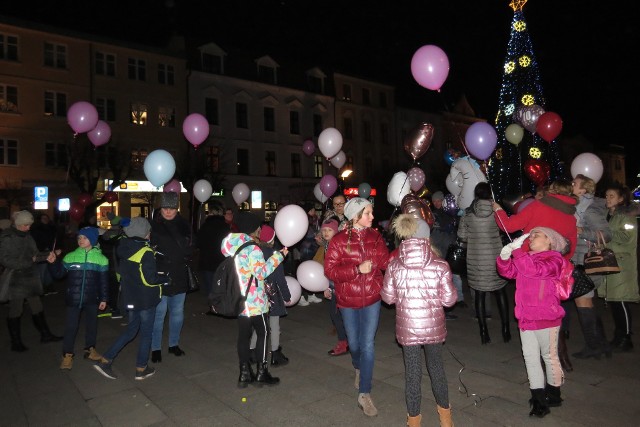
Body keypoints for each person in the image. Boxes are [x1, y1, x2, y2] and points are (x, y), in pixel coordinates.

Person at [492, 179, 578, 372]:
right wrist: (559, 264)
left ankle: (540, 362)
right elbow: (570, 247)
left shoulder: (539, 206)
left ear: (551, 191)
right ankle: (560, 358)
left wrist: (497, 210)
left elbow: (509, 225)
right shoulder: (571, 217)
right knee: (552, 312)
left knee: (531, 310)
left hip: (528, 265)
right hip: (554, 269)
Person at [381, 214, 456, 427]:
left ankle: (413, 421)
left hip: (409, 329)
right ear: (426, 238)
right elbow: (449, 300)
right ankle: (446, 419)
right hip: (433, 328)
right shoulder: (440, 265)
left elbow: (387, 297)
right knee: (437, 370)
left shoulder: (395, 266)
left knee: (412, 375)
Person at [324, 197, 390, 417]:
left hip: (372, 297)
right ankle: (359, 367)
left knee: (368, 344)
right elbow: (330, 271)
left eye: (372, 212)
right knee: (354, 344)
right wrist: (356, 270)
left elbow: (385, 262)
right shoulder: (339, 240)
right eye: (368, 213)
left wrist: (393, 257)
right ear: (355, 216)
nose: (372, 217)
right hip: (347, 300)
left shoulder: (376, 236)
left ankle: (364, 393)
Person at [496, 227, 570, 418]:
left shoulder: (554, 259)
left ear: (550, 241)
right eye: (531, 235)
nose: (531, 238)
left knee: (549, 356)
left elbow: (534, 271)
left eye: (537, 235)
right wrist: (504, 257)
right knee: (530, 357)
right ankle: (538, 400)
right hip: (526, 316)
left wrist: (517, 252)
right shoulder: (526, 257)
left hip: (547, 316)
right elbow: (509, 272)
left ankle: (554, 394)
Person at [93, 217, 166, 380]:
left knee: (131, 330)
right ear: (145, 233)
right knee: (146, 333)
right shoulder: (145, 252)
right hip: (146, 299)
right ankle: (141, 368)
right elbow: (150, 279)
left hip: (131, 296)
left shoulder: (123, 247)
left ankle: (106, 359)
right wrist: (166, 279)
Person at [220, 212, 286, 387]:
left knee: (243, 337)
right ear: (255, 229)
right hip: (255, 302)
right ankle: (261, 372)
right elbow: (261, 272)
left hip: (240, 301)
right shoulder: (253, 248)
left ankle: (244, 373)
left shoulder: (232, 245)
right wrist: (278, 256)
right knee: (263, 334)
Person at [457, 182, 511, 344]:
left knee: (479, 295)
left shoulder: (468, 213)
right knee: (501, 292)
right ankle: (506, 329)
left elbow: (462, 236)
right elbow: (506, 228)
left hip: (476, 260)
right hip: (495, 259)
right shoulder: (497, 211)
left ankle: (483, 331)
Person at [0, 210, 61, 352]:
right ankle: (16, 342)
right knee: (16, 309)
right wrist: (29, 261)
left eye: (29, 225)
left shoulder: (27, 235)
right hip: (15, 278)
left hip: (30, 277)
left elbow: (35, 255)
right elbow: (5, 260)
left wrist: (48, 256)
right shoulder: (7, 237)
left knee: (37, 306)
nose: (29, 228)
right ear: (18, 224)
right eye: (26, 225)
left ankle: (45, 335)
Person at [570, 174, 613, 359]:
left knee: (583, 304)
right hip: (579, 260)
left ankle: (593, 346)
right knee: (587, 303)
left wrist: (581, 231)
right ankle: (602, 344)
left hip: (586, 262)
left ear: (584, 189)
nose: (571, 185)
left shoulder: (588, 210)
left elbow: (606, 234)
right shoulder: (578, 208)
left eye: (575, 183)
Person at [55, 227, 109, 370]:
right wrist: (54, 261)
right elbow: (58, 274)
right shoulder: (70, 256)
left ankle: (90, 349)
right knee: (71, 327)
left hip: (92, 297)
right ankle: (67, 355)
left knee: (92, 325)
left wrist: (104, 298)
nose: (81, 241)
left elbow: (104, 282)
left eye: (84, 238)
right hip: (74, 297)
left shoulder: (101, 259)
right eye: (79, 238)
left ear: (92, 240)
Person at [150, 191, 193, 362]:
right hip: (160, 275)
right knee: (159, 313)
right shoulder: (154, 225)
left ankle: (173, 344)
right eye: (165, 208)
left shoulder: (184, 225)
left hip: (179, 273)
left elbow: (191, 244)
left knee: (177, 312)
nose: (168, 211)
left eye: (172, 208)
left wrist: (186, 251)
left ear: (177, 208)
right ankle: (156, 348)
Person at [599, 184, 638, 352]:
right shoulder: (608, 215)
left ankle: (626, 337)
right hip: (611, 261)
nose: (608, 199)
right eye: (607, 195)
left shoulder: (626, 217)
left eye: (612, 196)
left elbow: (627, 236)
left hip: (622, 262)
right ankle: (619, 336)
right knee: (614, 301)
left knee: (620, 301)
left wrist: (606, 234)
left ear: (621, 199)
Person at [250, 224, 292, 367]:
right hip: (272, 295)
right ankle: (275, 354)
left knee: (259, 325)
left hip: (257, 294)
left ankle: (252, 351)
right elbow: (280, 279)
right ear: (273, 239)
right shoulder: (275, 256)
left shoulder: (254, 252)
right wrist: (286, 296)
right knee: (274, 326)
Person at [314, 219, 349, 356]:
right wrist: (327, 287)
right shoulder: (327, 245)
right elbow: (328, 270)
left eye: (329, 230)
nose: (326, 232)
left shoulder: (339, 245)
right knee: (336, 315)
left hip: (342, 287)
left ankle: (346, 342)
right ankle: (345, 342)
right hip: (334, 286)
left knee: (341, 316)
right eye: (324, 230)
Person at [430, 191, 465, 318]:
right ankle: (444, 306)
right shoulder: (432, 215)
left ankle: (458, 299)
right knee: (441, 279)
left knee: (454, 275)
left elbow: (455, 230)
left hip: (449, 249)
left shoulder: (450, 213)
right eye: (434, 201)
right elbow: (433, 232)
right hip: (438, 251)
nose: (436, 203)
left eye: (438, 200)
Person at [196, 204, 230, 315]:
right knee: (220, 284)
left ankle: (213, 307)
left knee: (210, 285)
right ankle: (222, 305)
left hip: (207, 260)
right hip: (221, 260)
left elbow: (199, 243)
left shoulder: (205, 226)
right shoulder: (225, 226)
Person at [98, 213, 129, 319]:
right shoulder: (122, 237)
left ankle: (111, 307)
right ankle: (117, 309)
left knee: (110, 287)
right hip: (117, 267)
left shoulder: (104, 235)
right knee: (119, 289)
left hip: (106, 267)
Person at [297, 202, 323, 306]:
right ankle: (301, 296)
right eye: (312, 210)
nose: (314, 211)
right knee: (304, 273)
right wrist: (316, 236)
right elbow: (306, 235)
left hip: (313, 250)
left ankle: (311, 293)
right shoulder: (304, 221)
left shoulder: (314, 220)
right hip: (306, 250)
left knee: (312, 272)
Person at [30, 213, 58, 295]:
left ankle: (49, 287)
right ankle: (40, 288)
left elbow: (54, 238)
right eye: (43, 218)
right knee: (41, 270)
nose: (45, 219)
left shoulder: (51, 228)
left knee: (48, 270)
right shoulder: (36, 228)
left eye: (46, 218)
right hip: (41, 251)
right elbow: (36, 240)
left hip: (49, 250)